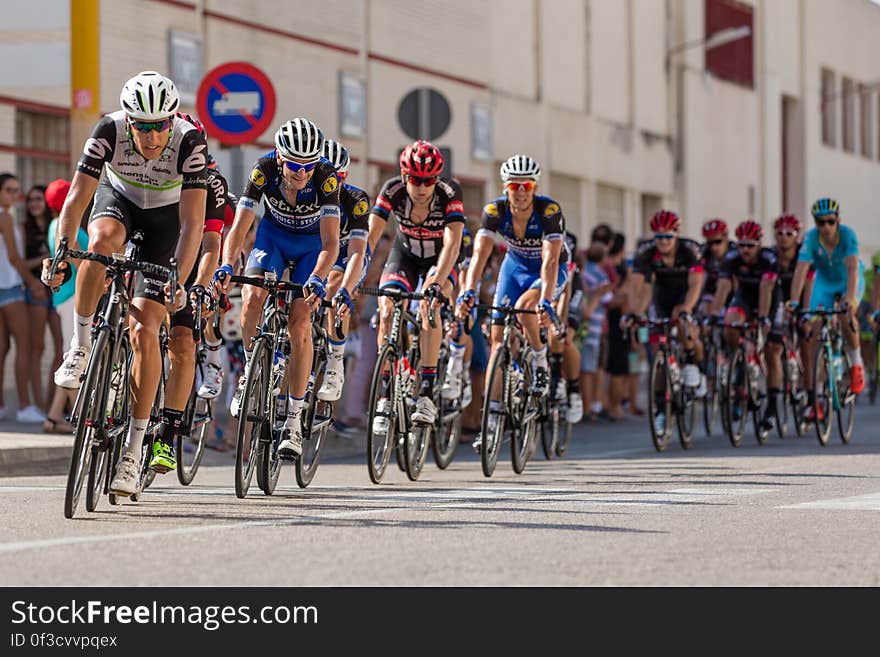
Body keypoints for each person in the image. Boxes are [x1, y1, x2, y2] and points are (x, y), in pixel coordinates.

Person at [42, 71, 208, 496]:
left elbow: (192, 223)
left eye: (160, 125)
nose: (152, 136)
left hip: (166, 224)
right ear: (128, 120)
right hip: (120, 203)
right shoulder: (107, 130)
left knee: (144, 329)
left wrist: (180, 277)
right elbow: (77, 199)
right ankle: (79, 347)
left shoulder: (189, 141)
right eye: (143, 126)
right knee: (100, 242)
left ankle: (134, 449)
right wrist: (63, 251)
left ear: (172, 120)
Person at [216, 117, 340, 458]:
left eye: (308, 166)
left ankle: (295, 421)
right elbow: (239, 229)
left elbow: (332, 243)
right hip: (273, 239)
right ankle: (250, 369)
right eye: (294, 165)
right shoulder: (263, 170)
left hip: (312, 247)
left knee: (300, 320)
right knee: (252, 295)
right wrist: (228, 264)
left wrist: (317, 278)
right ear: (279, 156)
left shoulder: (327, 179)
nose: (301, 173)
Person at [456, 154, 566, 450]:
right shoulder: (495, 209)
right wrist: (469, 289)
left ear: (534, 187)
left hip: (546, 270)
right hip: (514, 267)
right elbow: (479, 256)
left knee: (528, 309)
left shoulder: (549, 211)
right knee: (495, 344)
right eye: (514, 186)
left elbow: (551, 259)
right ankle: (491, 423)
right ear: (506, 187)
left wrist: (546, 298)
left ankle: (540, 362)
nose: (520, 193)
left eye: (526, 186)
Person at [147, 113, 226, 473]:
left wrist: (201, 285)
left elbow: (211, 242)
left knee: (182, 340)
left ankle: (167, 433)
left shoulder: (211, 182)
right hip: (152, 251)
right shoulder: (146, 169)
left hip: (191, 260)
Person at [367, 140, 464, 429]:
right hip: (405, 255)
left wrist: (437, 280)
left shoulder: (449, 192)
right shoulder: (392, 190)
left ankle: (427, 393)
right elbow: (371, 237)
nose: (421, 187)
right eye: (414, 180)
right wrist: (356, 272)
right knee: (386, 310)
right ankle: (385, 393)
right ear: (404, 176)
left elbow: (452, 243)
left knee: (429, 306)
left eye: (428, 180)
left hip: (441, 259)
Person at [788, 198, 866, 422]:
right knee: (813, 332)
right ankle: (818, 398)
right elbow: (800, 271)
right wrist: (794, 301)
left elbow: (852, 269)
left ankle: (856, 363)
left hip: (847, 281)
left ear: (838, 221)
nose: (826, 228)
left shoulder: (848, 235)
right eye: (821, 223)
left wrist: (850, 299)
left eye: (831, 222)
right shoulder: (812, 238)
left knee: (845, 316)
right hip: (824, 283)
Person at [629, 210, 705, 435]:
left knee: (684, 323)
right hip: (661, 296)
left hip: (686, 295)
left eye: (668, 237)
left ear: (677, 235)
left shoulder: (690, 250)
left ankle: (692, 362)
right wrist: (634, 314)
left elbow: (695, 285)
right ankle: (661, 409)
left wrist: (686, 310)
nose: (663, 242)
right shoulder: (645, 252)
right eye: (659, 237)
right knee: (658, 350)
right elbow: (639, 287)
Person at [710, 220, 781, 431]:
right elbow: (723, 287)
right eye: (741, 245)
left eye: (750, 245)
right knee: (730, 324)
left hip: (769, 300)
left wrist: (764, 318)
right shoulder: (731, 258)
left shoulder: (769, 258)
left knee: (772, 349)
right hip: (745, 298)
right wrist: (715, 313)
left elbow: (767, 288)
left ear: (759, 243)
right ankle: (738, 362)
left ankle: (772, 405)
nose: (745, 250)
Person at [317, 138, 370, 403]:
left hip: (349, 254)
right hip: (317, 252)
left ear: (345, 176)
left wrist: (347, 290)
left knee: (334, 286)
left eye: (336, 177)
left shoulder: (355, 199)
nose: (329, 183)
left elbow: (357, 252)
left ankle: (335, 361)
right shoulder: (306, 192)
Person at [42, 179, 89, 434]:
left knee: (70, 357)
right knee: (74, 359)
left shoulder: (54, 224)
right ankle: (80, 417)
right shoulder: (65, 224)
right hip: (75, 296)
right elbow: (76, 256)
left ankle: (53, 416)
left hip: (64, 297)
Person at [0, 173, 44, 422]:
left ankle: (2, 406)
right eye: (9, 190)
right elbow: (14, 258)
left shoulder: (9, 217)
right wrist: (33, 282)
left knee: (3, 348)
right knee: (25, 346)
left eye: (17, 190)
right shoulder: (5, 217)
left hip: (3, 286)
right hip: (11, 288)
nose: (15, 195)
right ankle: (25, 406)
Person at [23, 185, 62, 413]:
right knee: (37, 348)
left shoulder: (54, 226)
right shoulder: (24, 230)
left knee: (61, 348)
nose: (34, 204)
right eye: (30, 200)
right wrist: (43, 259)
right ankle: (36, 404)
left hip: (56, 292)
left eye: (38, 199)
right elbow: (19, 262)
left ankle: (51, 403)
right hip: (37, 292)